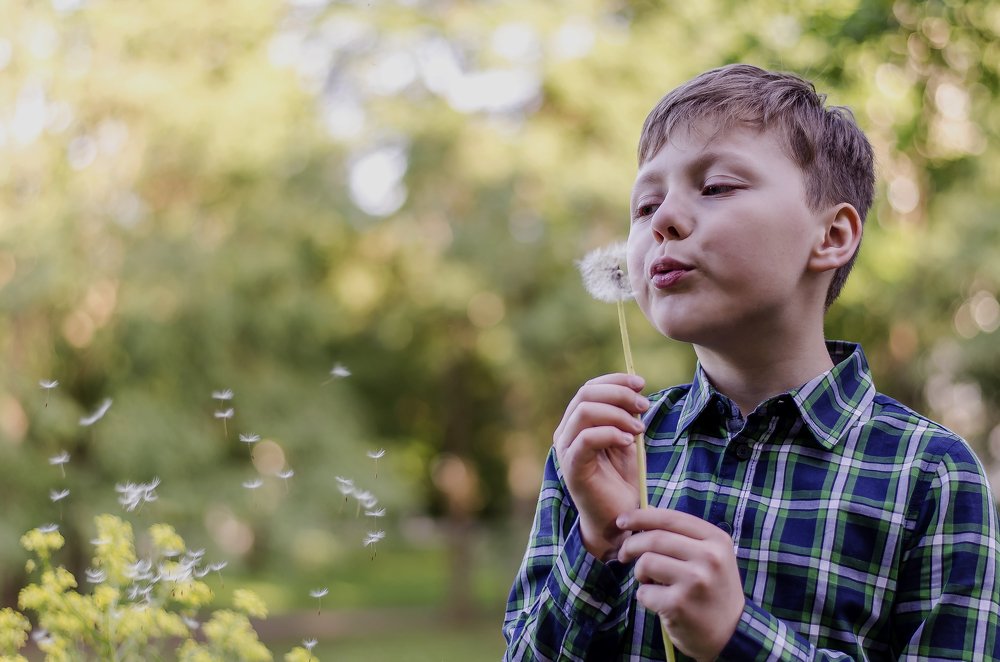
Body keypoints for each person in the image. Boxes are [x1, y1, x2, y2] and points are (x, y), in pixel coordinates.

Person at [503, 64, 1000, 661]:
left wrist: (737, 634)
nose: (662, 221)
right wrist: (596, 542)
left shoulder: (932, 476)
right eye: (645, 205)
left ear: (832, 235)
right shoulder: (604, 452)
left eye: (715, 187)